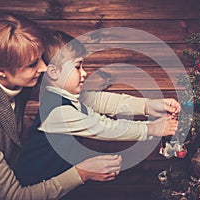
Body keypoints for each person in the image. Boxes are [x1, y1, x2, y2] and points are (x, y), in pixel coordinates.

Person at [0, 14, 122, 200]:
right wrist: (82, 173)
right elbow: (14, 196)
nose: (43, 67)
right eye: (33, 64)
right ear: (0, 70)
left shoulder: (19, 80)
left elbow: (80, 97)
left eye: (41, 58)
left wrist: (149, 107)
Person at [14, 30, 181, 187]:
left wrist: (148, 106)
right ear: (54, 72)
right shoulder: (58, 110)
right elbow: (103, 126)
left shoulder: (66, 98)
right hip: (34, 184)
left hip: (53, 181)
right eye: (78, 66)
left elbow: (105, 101)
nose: (84, 72)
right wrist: (151, 128)